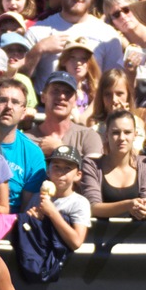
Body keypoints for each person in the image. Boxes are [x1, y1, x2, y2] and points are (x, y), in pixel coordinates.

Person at [24, 0, 124, 92]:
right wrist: (39, 50)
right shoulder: (38, 31)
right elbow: (19, 79)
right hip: (45, 109)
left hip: (92, 109)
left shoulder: (108, 35)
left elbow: (114, 85)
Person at [24, 71, 103, 202]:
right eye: (55, 91)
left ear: (75, 101)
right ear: (43, 97)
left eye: (68, 93)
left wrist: (60, 149)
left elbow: (95, 181)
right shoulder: (27, 140)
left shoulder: (88, 136)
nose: (61, 96)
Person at [0, 78, 46, 211]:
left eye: (15, 102)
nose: (8, 106)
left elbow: (25, 209)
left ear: (23, 112)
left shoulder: (33, 155)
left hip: (9, 224)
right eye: (2, 100)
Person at [24, 145, 91, 251]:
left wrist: (52, 213)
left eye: (67, 168)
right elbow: (26, 230)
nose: (60, 172)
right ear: (48, 171)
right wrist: (34, 220)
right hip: (39, 256)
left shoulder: (80, 203)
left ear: (78, 175)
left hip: (66, 261)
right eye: (56, 166)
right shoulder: (37, 197)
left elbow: (76, 242)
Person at [92, 108, 146, 220]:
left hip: (138, 235)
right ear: (106, 136)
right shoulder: (93, 165)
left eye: (127, 132)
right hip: (100, 236)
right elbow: (93, 207)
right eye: (115, 132)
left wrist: (145, 210)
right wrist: (128, 205)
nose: (121, 138)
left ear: (135, 135)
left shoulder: (145, 163)